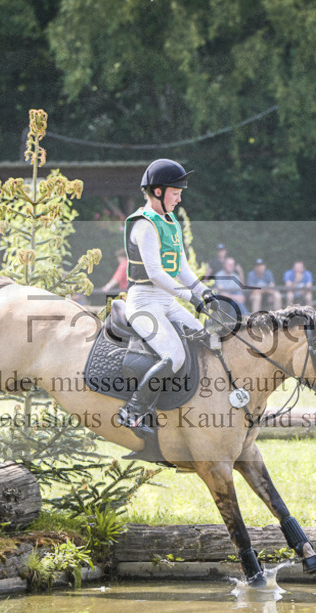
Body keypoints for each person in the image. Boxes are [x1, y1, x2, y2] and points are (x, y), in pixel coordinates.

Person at [118, 158, 220, 434]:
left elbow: (182, 269)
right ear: (159, 191)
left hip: (165, 300)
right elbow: (155, 274)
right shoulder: (144, 225)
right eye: (175, 193)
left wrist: (205, 293)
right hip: (143, 302)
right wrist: (191, 298)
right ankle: (133, 411)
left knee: (209, 340)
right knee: (173, 356)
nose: (179, 198)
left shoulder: (170, 220)